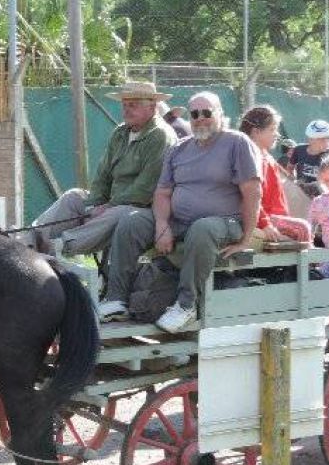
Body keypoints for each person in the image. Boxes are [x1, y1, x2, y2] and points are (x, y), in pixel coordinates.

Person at [96, 91, 263, 333]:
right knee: (131, 222)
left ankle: (186, 305)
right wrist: (162, 226)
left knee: (202, 228)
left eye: (207, 112)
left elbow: (252, 192)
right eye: (195, 114)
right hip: (179, 221)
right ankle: (116, 299)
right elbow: (162, 192)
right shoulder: (179, 149)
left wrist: (246, 238)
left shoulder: (237, 143)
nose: (200, 118)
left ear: (220, 114)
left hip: (225, 222)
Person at [26, 81, 177, 255]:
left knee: (119, 214)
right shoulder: (120, 133)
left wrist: (108, 206)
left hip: (143, 209)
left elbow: (144, 189)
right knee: (73, 197)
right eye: (124, 105)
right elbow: (102, 174)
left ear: (152, 107)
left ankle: (58, 247)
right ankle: (27, 241)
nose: (126, 110)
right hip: (112, 203)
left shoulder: (160, 136)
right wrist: (93, 205)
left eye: (133, 105)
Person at [239, 106, 311, 246]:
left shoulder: (266, 156)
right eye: (272, 129)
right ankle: (308, 266)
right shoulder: (251, 158)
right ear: (256, 132)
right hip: (264, 218)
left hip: (277, 217)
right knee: (302, 228)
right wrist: (265, 224)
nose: (277, 134)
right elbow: (249, 197)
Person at [288, 119, 329, 184]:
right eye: (322, 139)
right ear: (311, 139)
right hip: (300, 191)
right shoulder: (299, 150)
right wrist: (293, 180)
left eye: (328, 138)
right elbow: (290, 167)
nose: (326, 142)